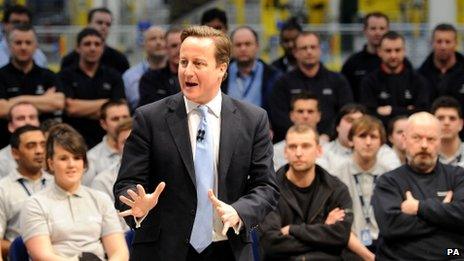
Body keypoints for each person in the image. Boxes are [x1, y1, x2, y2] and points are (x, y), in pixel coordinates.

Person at [113, 25, 279, 260]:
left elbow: (266, 187)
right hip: (163, 250)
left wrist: (239, 211)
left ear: (222, 69)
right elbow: (126, 183)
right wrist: (138, 206)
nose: (187, 72)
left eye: (198, 63)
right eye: (183, 62)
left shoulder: (253, 120)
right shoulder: (149, 118)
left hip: (227, 247)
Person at [20, 123, 129, 260]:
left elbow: (120, 252)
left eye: (77, 158)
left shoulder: (101, 199)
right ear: (51, 163)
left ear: (84, 163)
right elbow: (42, 256)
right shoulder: (35, 203)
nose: (71, 165)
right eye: (63, 158)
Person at [372, 112, 464, 260]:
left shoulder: (458, 176)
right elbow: (391, 226)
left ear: (440, 141)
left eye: (431, 139)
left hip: (450, 255)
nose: (424, 145)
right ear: (404, 139)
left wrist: (419, 208)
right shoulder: (388, 181)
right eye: (417, 138)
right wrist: (444, 213)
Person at [260, 124, 354, 260]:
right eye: (293, 147)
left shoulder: (336, 188)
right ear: (285, 152)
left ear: (319, 150)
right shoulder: (269, 190)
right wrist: (323, 232)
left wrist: (293, 230)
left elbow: (341, 236)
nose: (298, 153)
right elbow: (271, 243)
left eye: (306, 146)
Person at [269, 31, 353, 143]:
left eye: (313, 47)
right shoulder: (283, 83)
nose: (309, 51)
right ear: (295, 52)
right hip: (292, 142)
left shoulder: (338, 80)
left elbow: (346, 113)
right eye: (304, 48)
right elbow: (278, 117)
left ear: (320, 49)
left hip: (331, 143)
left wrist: (327, 135)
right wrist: (300, 136)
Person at [330, 115, 395, 254]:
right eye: (362, 136)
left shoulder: (390, 175)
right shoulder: (336, 175)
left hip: (385, 244)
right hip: (347, 244)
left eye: (373, 137)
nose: (368, 142)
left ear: (382, 142)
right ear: (351, 140)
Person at [59, 27, 126, 148]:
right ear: (78, 48)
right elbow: (70, 108)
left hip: (107, 142)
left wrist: (81, 108)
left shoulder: (113, 75)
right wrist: (107, 103)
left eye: (97, 44)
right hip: (73, 142)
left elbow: (119, 108)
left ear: (103, 48)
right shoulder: (65, 75)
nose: (92, 48)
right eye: (87, 44)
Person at [0, 125, 51, 258]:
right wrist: (32, 248)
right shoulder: (2, 189)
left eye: (43, 145)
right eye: (31, 146)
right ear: (15, 153)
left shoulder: (57, 183)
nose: (39, 151)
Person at [360, 31, 430, 125]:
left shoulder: (418, 80)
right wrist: (407, 110)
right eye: (388, 51)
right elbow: (369, 115)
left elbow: (422, 114)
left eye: (397, 50)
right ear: (379, 52)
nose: (393, 55)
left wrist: (391, 110)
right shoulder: (370, 81)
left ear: (404, 51)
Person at [317, 103, 400, 173]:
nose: (354, 125)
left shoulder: (383, 151)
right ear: (337, 126)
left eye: (360, 121)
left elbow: (395, 177)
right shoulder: (324, 151)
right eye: (350, 120)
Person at [222, 26, 281, 111]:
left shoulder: (274, 77)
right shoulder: (220, 75)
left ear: (257, 46)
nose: (243, 48)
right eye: (238, 45)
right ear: (231, 48)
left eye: (247, 44)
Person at [61, 7, 130, 74]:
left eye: (108, 24)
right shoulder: (70, 60)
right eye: (99, 23)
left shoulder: (119, 60)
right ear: (88, 24)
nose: (104, 27)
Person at [341, 12, 389, 101]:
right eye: (373, 28)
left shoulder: (398, 63)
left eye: (382, 28)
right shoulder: (352, 63)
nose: (378, 32)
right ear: (365, 31)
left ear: (388, 30)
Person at [273, 92, 325, 170]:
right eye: (300, 111)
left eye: (310, 111)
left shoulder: (331, 152)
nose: (305, 116)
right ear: (292, 115)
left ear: (318, 116)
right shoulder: (275, 152)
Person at [85, 100, 130, 185]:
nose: (122, 122)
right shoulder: (91, 159)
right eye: (115, 119)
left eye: (125, 117)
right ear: (103, 124)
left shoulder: (143, 151)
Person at [123, 26, 166, 111]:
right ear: (144, 44)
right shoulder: (129, 77)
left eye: (162, 38)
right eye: (153, 39)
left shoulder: (177, 73)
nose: (158, 42)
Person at [137, 27, 182, 107]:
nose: (179, 50)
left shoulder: (198, 76)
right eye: (174, 46)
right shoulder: (150, 79)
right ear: (166, 48)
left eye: (183, 45)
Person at [418, 23, 464, 100]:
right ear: (432, 43)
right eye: (439, 41)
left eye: (448, 42)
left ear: (456, 43)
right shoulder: (420, 76)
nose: (443, 47)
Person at [0, 102, 40, 177]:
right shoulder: (1, 160)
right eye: (21, 118)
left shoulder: (50, 154)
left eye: (32, 117)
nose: (27, 122)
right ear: (10, 126)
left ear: (38, 122)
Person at [431, 96, 464, 166]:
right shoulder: (424, 155)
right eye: (440, 118)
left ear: (461, 124)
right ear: (432, 122)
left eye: (452, 118)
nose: (446, 123)